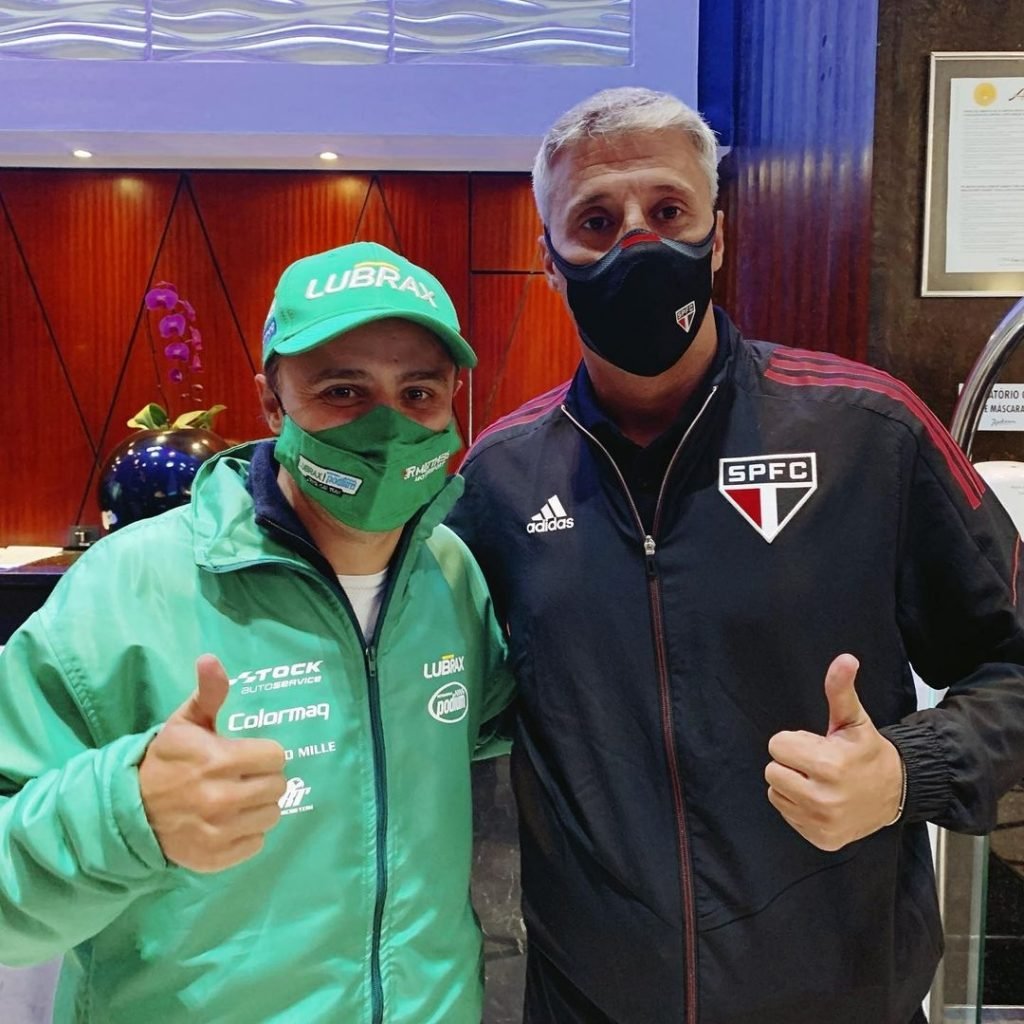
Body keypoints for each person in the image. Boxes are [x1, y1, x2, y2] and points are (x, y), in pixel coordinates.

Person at [446, 86, 1024, 1024]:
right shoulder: (498, 483)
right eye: (596, 221)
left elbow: (1014, 664)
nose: (637, 242)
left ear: (717, 237)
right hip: (588, 1005)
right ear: (550, 261)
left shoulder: (866, 432)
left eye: (668, 210)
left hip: (841, 1001)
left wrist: (905, 773)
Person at [0, 241, 513, 1023]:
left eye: (418, 392)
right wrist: (126, 814)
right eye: (342, 391)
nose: (386, 426)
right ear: (271, 403)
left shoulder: (450, 574)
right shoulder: (125, 589)